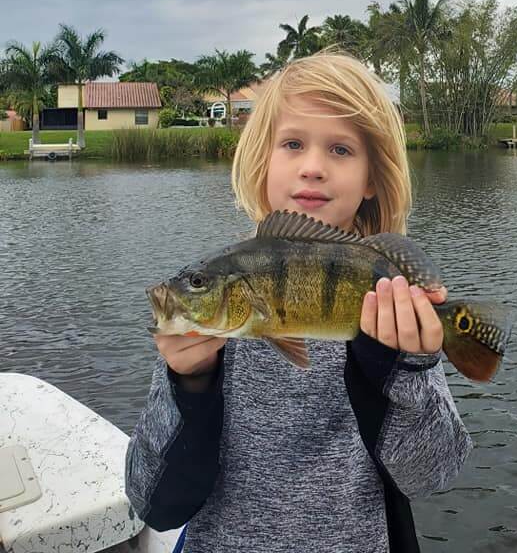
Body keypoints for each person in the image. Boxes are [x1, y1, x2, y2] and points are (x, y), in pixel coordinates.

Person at [125, 50, 473, 553]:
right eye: (292, 143)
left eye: (340, 150)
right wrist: (188, 386)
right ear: (262, 159)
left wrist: (405, 368)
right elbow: (151, 502)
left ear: (372, 178)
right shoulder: (210, 330)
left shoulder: (387, 305)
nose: (312, 168)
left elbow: (432, 473)